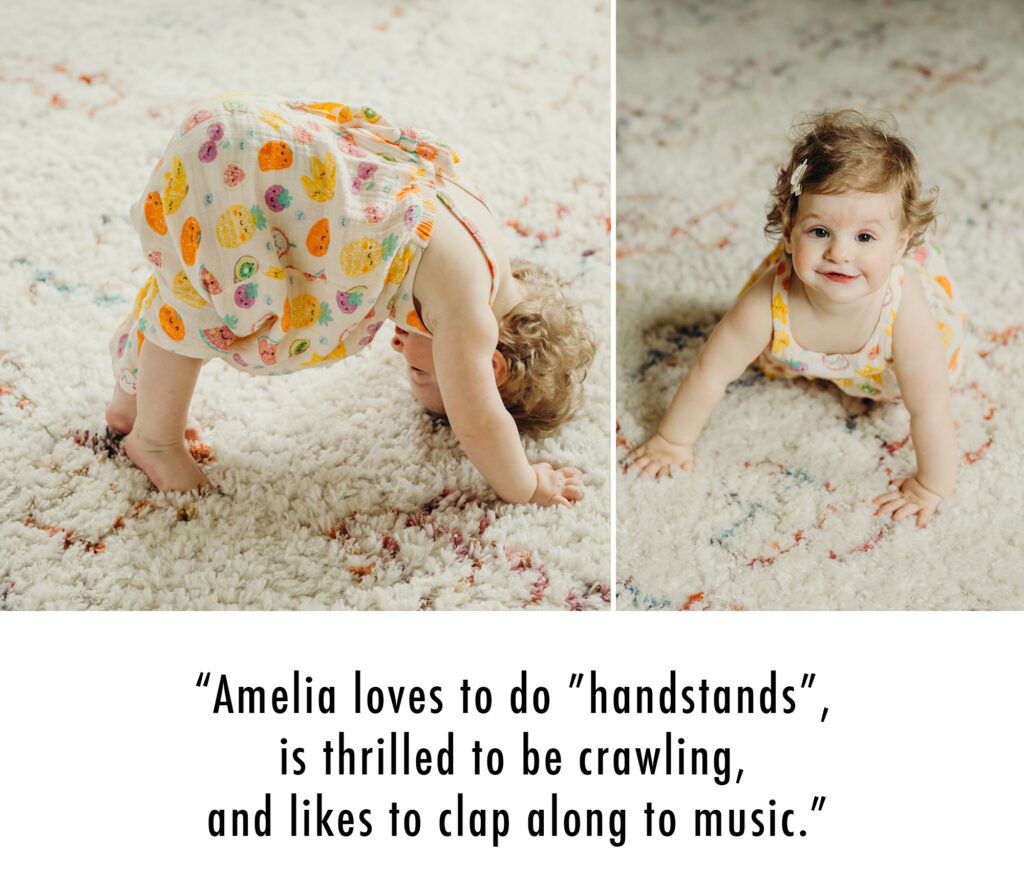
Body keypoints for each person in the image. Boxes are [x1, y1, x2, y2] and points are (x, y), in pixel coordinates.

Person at [107, 92, 595, 505]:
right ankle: (156, 439)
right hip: (234, 171)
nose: (400, 349)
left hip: (252, 134)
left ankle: (129, 401)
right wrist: (528, 485)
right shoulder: (469, 317)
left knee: (184, 281)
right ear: (490, 370)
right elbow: (480, 423)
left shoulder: (486, 242)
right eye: (424, 372)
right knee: (200, 317)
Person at [626, 110, 965, 527]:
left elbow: (929, 408)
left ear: (899, 245)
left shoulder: (905, 310)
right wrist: (671, 440)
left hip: (886, 369)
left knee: (934, 379)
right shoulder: (771, 297)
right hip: (798, 340)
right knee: (749, 345)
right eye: (820, 232)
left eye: (865, 237)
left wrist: (932, 485)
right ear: (789, 231)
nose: (840, 253)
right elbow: (709, 372)